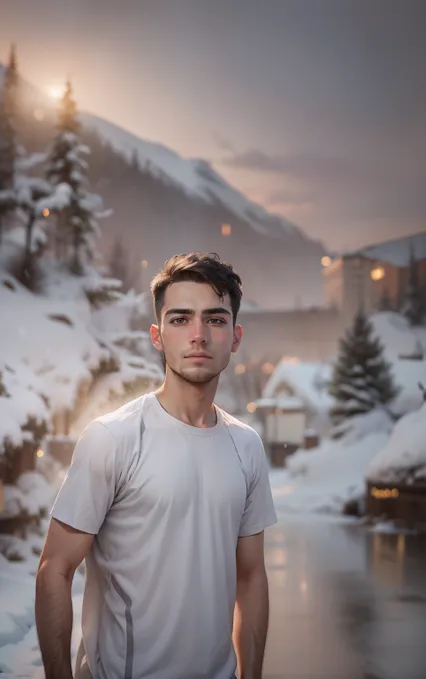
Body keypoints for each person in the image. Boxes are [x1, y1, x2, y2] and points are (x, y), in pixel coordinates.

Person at [35, 252, 277, 679]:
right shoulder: (112, 438)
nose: (198, 335)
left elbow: (252, 577)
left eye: (215, 320)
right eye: (180, 319)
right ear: (157, 335)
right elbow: (54, 569)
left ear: (235, 336)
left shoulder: (246, 446)